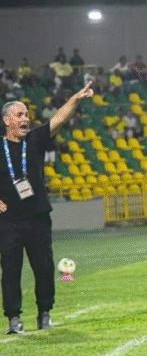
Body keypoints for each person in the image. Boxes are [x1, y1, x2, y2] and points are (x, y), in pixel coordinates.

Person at [1, 81, 94, 334]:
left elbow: (58, 119)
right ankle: (14, 320)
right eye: (19, 115)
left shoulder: (34, 140)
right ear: (7, 120)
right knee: (10, 271)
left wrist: (75, 97)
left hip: (38, 217)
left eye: (27, 115)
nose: (25, 119)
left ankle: (44, 314)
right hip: (8, 221)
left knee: (43, 267)